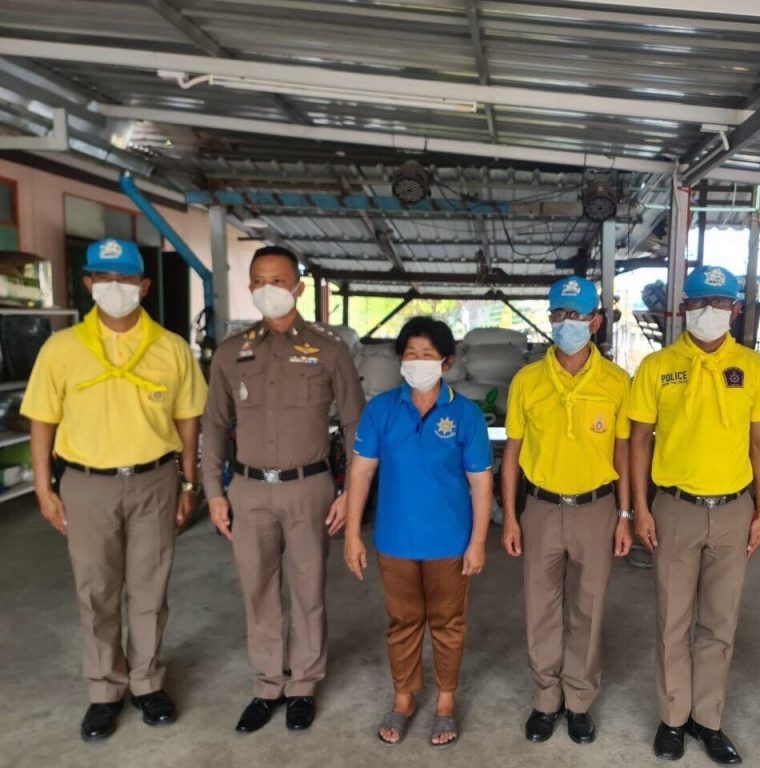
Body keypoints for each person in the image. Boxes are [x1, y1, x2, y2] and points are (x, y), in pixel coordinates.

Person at [22, 238, 207, 741]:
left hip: (155, 481)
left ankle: (147, 683)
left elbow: (188, 419)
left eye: (125, 279)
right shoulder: (61, 349)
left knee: (150, 588)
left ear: (144, 286)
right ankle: (105, 690)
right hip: (87, 485)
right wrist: (43, 487)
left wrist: (189, 482)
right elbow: (42, 420)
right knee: (97, 590)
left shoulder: (171, 347)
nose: (114, 288)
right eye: (104, 279)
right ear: (88, 284)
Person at [201, 245, 364, 733]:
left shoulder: (329, 349)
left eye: (278, 279)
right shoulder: (231, 352)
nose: (267, 288)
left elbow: (356, 425)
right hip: (248, 489)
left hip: (308, 487)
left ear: (298, 286)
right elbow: (214, 424)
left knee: (308, 589)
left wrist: (350, 494)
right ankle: (268, 683)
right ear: (249, 287)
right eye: (258, 280)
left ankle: (303, 685)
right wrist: (213, 490)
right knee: (258, 589)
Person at [628, 265, 760, 763]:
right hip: (674, 509)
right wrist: (639, 508)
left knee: (720, 621)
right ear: (682, 309)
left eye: (719, 303)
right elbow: (638, 442)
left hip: (734, 509)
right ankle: (673, 717)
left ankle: (708, 720)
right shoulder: (656, 366)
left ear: (735, 310)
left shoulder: (755, 368)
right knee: (673, 620)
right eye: (698, 302)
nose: (709, 311)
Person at [344, 317, 492, 748]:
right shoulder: (381, 410)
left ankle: (445, 701)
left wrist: (478, 542)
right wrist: (352, 534)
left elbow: (481, 481)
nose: (418, 362)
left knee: (448, 623)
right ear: (399, 360)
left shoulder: (465, 414)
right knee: (403, 622)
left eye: (428, 355)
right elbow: (361, 474)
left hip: (450, 542)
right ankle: (404, 697)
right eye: (410, 354)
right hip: (395, 541)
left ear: (446, 362)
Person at [501, 276, 633, 746]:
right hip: (541, 507)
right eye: (559, 314)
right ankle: (545, 699)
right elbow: (513, 452)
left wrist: (625, 515)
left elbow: (623, 453)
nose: (567, 323)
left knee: (588, 607)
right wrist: (510, 515)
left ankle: (578, 700)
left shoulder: (616, 381)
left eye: (577, 315)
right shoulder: (527, 380)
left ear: (596, 321)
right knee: (541, 606)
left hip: (597, 510)